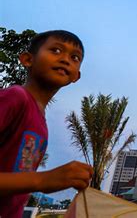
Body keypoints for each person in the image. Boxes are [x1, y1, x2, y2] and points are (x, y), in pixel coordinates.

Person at [0, 30, 93, 218]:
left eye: (75, 57)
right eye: (56, 50)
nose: (65, 59)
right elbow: (34, 181)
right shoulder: (15, 98)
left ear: (76, 76)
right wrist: (42, 180)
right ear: (27, 59)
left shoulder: (41, 124)